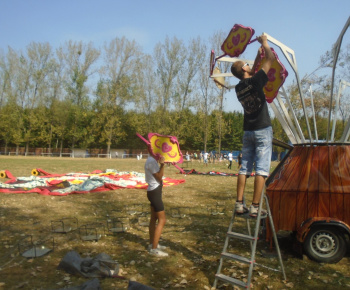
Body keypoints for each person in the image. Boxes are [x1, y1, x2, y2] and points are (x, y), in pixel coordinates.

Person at [230, 34, 275, 218]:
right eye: (246, 64)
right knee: (262, 169)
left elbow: (253, 71)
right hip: (262, 129)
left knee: (244, 168)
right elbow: (270, 59)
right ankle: (256, 206)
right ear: (245, 69)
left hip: (247, 131)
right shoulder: (256, 82)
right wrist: (264, 43)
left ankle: (239, 204)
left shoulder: (239, 88)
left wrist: (257, 57)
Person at [144, 149, 168, 257]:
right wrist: (162, 165)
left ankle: (153, 244)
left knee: (154, 219)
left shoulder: (151, 160)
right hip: (155, 193)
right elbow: (159, 177)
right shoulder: (151, 161)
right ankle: (154, 249)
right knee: (162, 220)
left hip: (152, 191)